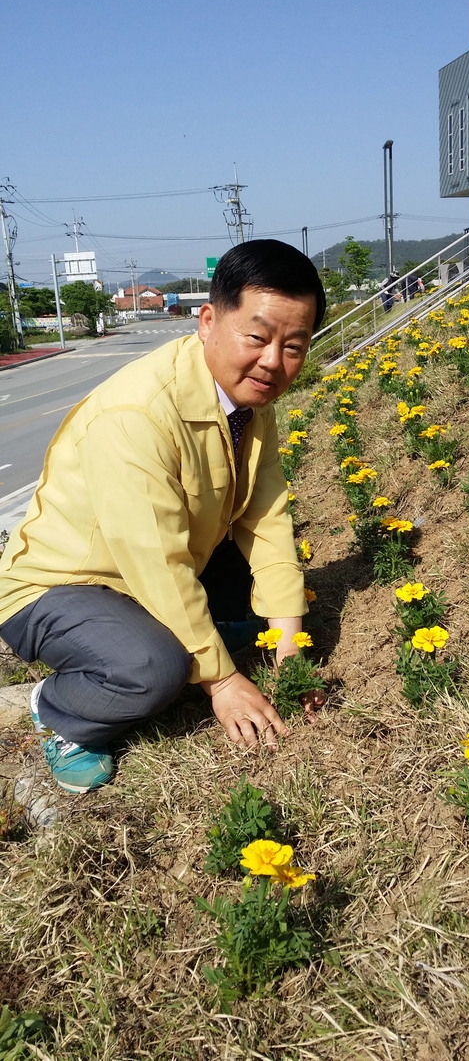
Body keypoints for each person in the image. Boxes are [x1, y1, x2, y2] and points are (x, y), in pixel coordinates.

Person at [0, 239, 326, 794]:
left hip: (153, 565)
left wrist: (288, 642)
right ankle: (58, 712)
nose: (274, 361)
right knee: (154, 669)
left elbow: (266, 517)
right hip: (62, 585)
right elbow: (157, 562)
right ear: (207, 321)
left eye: (294, 345)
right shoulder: (138, 414)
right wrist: (222, 682)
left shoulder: (248, 400)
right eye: (257, 337)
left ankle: (190, 636)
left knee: (266, 603)